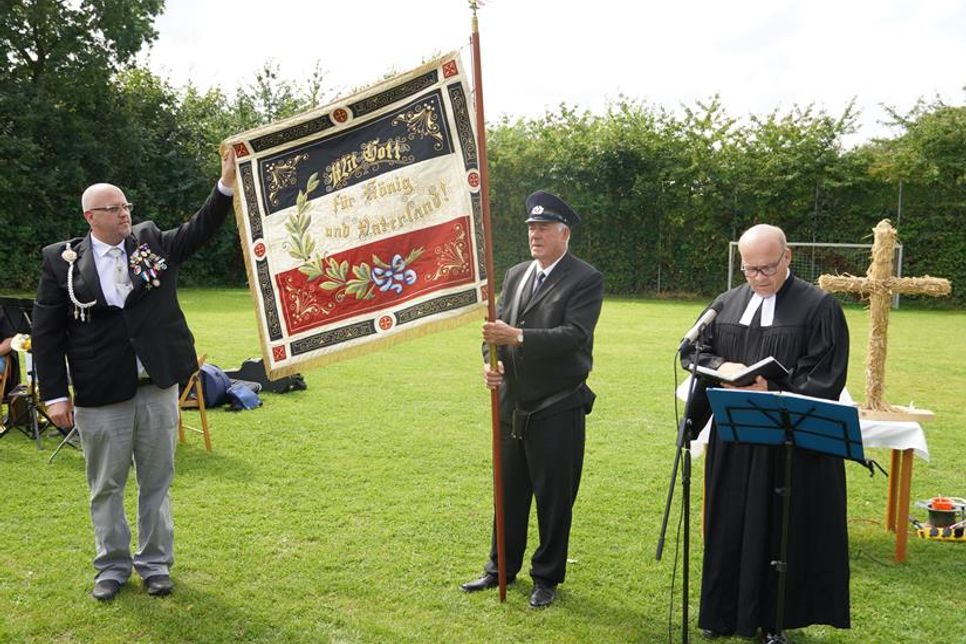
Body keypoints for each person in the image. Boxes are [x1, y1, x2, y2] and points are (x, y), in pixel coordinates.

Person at [31, 147, 237, 601]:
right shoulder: (60, 262)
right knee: (105, 485)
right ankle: (111, 566)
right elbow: (47, 334)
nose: (124, 214)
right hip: (100, 390)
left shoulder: (150, 242)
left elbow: (198, 231)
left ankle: (155, 564)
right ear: (91, 217)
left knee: (157, 481)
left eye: (126, 206)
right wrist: (54, 395)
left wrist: (225, 186)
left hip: (157, 385)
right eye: (114, 208)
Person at [682, 224, 851, 640]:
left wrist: (772, 387)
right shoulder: (727, 303)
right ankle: (723, 614)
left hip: (788, 445)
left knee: (780, 530)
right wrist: (725, 369)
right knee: (730, 525)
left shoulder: (819, 307)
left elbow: (826, 375)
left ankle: (775, 621)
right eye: (749, 269)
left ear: (788, 257)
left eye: (767, 268)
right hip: (736, 437)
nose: (758, 278)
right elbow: (692, 350)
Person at [461, 190, 604, 609]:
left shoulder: (584, 278)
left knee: (554, 497)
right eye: (531, 228)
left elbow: (575, 335)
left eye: (543, 228)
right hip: (511, 406)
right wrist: (492, 363)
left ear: (564, 233)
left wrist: (518, 337)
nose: (535, 235)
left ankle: (547, 577)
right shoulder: (517, 273)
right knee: (508, 493)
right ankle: (499, 569)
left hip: (557, 406)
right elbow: (494, 332)